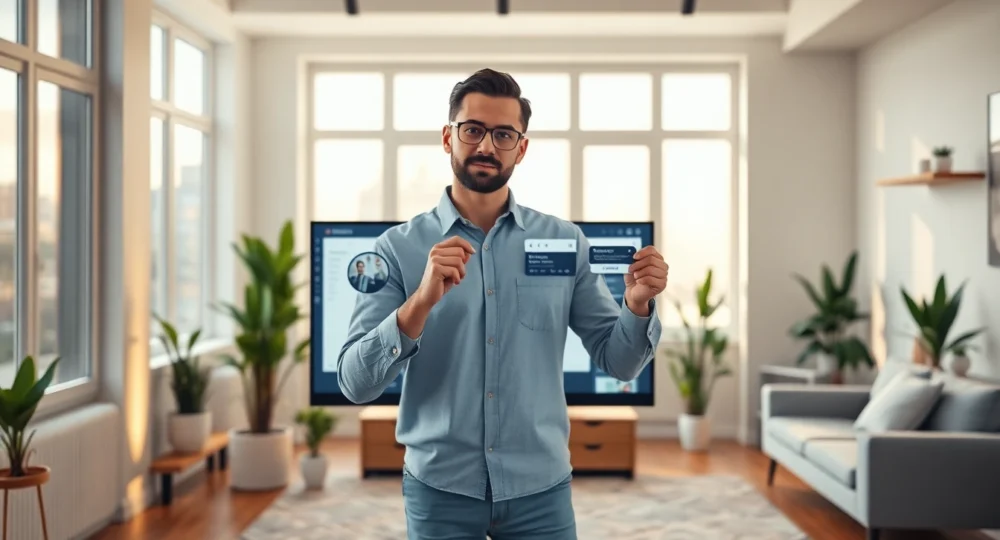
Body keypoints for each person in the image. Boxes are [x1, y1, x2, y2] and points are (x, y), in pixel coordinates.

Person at [337, 68, 668, 540]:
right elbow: (354, 383)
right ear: (448, 138)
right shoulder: (395, 249)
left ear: (522, 147)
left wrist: (635, 305)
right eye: (473, 130)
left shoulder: (564, 241)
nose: (487, 146)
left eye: (504, 134)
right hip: (440, 489)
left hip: (541, 491)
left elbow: (618, 363)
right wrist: (420, 303)